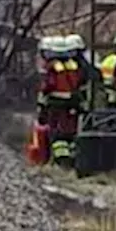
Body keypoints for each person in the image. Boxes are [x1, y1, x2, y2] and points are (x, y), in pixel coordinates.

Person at [36, 35, 85, 167]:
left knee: (57, 135)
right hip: (71, 103)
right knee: (70, 132)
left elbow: (48, 87)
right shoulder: (73, 65)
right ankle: (73, 158)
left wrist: (41, 105)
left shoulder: (53, 67)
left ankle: (61, 162)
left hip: (56, 104)